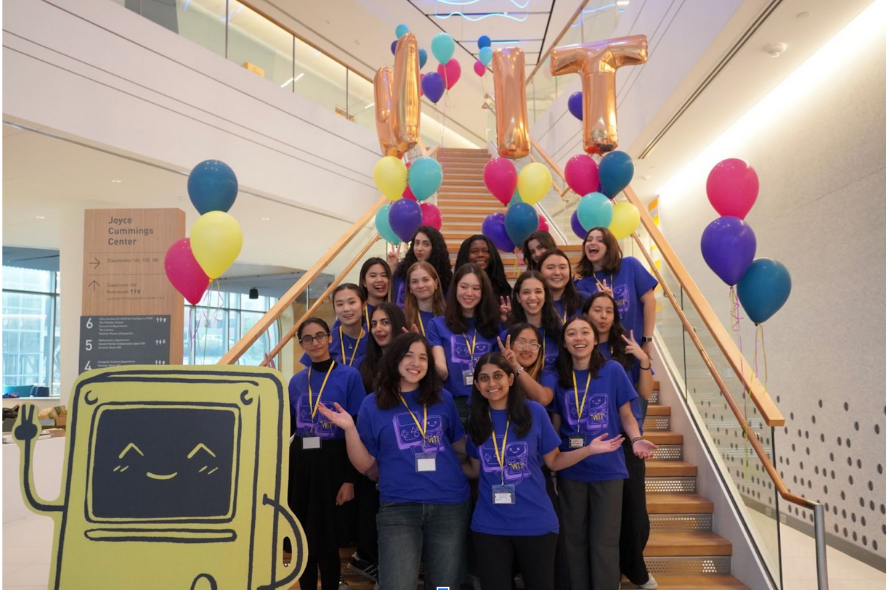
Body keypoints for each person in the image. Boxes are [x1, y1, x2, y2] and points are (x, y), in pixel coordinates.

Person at [318, 333, 471, 590]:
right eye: (409, 355)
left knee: (444, 585)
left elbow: (459, 444)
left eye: (423, 357)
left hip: (449, 504)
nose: (416, 362)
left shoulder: (442, 398)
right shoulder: (372, 404)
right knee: (397, 584)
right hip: (399, 506)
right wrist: (349, 429)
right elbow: (365, 465)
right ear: (394, 359)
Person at [463, 352, 623, 590]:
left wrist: (588, 450)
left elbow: (554, 461)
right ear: (477, 385)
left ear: (510, 378)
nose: (491, 383)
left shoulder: (534, 412)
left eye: (497, 376)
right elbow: (475, 469)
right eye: (484, 378)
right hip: (489, 525)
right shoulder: (476, 420)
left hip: (535, 522)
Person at [542, 315, 657, 590]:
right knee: (574, 540)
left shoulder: (613, 370)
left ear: (595, 339)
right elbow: (557, 427)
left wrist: (637, 438)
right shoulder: (558, 378)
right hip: (572, 469)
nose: (578, 338)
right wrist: (555, 470)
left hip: (609, 468)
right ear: (565, 343)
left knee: (605, 540)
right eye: (572, 334)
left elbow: (627, 415)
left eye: (585, 332)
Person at [584, 292, 657, 590]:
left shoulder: (624, 346)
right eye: (596, 310)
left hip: (628, 438)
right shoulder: (579, 345)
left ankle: (634, 566)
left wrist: (642, 359)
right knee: (604, 515)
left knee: (635, 512)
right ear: (586, 313)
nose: (602, 316)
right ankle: (609, 571)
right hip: (593, 438)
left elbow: (645, 393)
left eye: (608, 311)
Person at [288, 317, 366, 590]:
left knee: (329, 538)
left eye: (320, 336)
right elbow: (287, 425)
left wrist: (349, 479)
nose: (315, 343)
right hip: (302, 464)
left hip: (334, 462)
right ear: (301, 345)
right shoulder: (297, 381)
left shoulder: (349, 376)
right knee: (303, 537)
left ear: (330, 338)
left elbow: (356, 428)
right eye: (308, 338)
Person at [349, 303, 409, 583]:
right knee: (368, 521)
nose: (379, 329)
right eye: (374, 323)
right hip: (372, 456)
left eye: (385, 322)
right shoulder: (366, 366)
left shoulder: (413, 364)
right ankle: (379, 569)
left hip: (406, 455)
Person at [428, 263, 501, 418]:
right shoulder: (437, 324)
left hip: (488, 403)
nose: (469, 293)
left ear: (483, 292)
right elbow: (441, 370)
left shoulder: (495, 326)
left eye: (476, 288)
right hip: (452, 404)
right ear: (455, 289)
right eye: (464, 287)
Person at [574, 227, 657, 351]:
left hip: (634, 348)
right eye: (589, 240)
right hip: (602, 354)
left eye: (600, 240)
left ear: (609, 246)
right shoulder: (581, 285)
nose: (592, 243)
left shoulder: (630, 265)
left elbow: (650, 301)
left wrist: (647, 340)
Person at [503, 270, 561, 372]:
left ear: (546, 296)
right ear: (518, 297)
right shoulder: (507, 336)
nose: (532, 297)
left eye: (538, 291)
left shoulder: (559, 333)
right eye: (526, 292)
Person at [299, 283, 370, 368]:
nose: (346, 309)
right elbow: (308, 372)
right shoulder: (324, 339)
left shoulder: (373, 340)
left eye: (352, 302)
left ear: (364, 305)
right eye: (340, 304)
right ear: (334, 308)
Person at [389, 226, 453, 306]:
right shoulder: (401, 269)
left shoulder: (445, 276)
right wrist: (391, 268)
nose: (419, 248)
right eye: (417, 243)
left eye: (426, 244)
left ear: (435, 247)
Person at [496, 323, 553, 406]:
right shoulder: (498, 375)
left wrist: (516, 366)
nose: (527, 349)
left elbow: (543, 399)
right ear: (510, 345)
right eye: (521, 342)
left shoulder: (547, 375)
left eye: (533, 344)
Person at [537, 249, 589, 323]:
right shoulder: (536, 305)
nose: (557, 273)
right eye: (550, 267)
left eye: (562, 267)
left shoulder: (585, 300)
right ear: (539, 272)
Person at [455, 235, 512, 300]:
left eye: (486, 251)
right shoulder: (455, 286)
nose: (480, 255)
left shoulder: (502, 287)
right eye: (474, 251)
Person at [402, 261, 446, 337]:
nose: (420, 285)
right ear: (410, 287)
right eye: (415, 282)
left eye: (425, 280)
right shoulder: (403, 317)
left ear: (436, 283)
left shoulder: (450, 316)